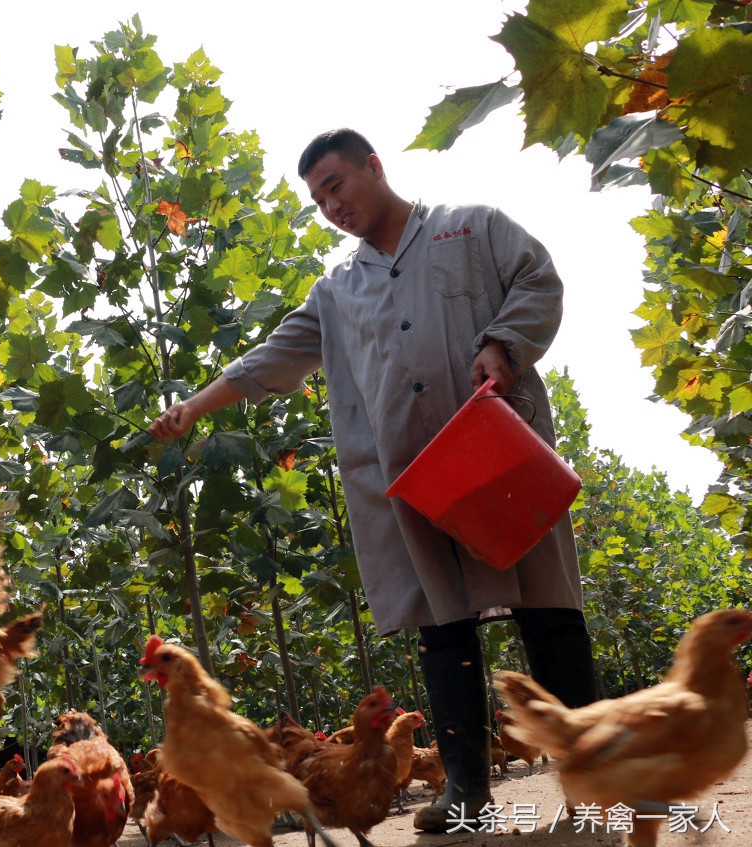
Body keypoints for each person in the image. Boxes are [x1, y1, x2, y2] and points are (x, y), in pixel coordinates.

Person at [148, 128, 598, 832]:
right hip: (419, 481)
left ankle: (591, 782)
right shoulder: (337, 291)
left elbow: (539, 279)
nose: (330, 204)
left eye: (337, 184)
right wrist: (196, 405)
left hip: (501, 452)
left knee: (548, 612)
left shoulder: (469, 228)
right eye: (318, 197)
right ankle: (466, 792)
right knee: (443, 625)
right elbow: (274, 357)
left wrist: (501, 344)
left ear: (374, 166)